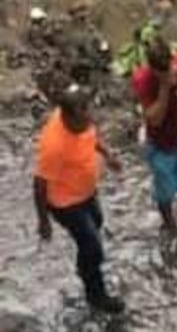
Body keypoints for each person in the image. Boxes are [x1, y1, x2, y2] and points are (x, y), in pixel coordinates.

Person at [34, 86, 124, 314]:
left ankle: (85, 265)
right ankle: (97, 296)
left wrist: (107, 154)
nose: (89, 115)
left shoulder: (82, 121)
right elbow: (40, 184)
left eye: (88, 108)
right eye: (83, 111)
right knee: (93, 247)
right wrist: (44, 222)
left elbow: (91, 136)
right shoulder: (54, 146)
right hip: (65, 203)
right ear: (68, 116)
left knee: (97, 221)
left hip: (86, 191)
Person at [130, 31, 177, 226]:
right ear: (152, 68)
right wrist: (164, 88)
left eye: (169, 67)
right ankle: (170, 224)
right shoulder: (143, 80)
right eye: (161, 71)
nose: (167, 73)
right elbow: (154, 120)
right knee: (164, 192)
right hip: (159, 145)